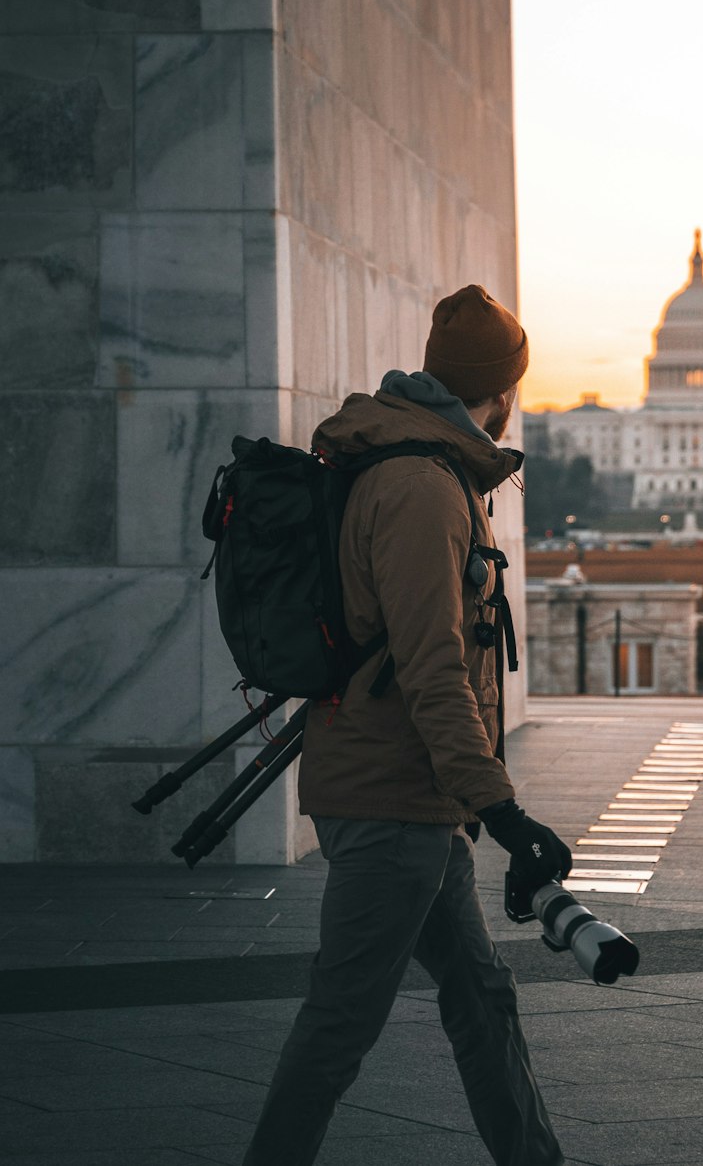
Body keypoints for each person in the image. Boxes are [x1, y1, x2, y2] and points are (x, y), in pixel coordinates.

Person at [243, 284, 570, 1166]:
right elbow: (434, 671)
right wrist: (502, 811)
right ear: (500, 390)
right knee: (340, 1026)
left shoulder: (414, 466)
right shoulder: (423, 488)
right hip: (393, 801)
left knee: (480, 998)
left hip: (411, 798)